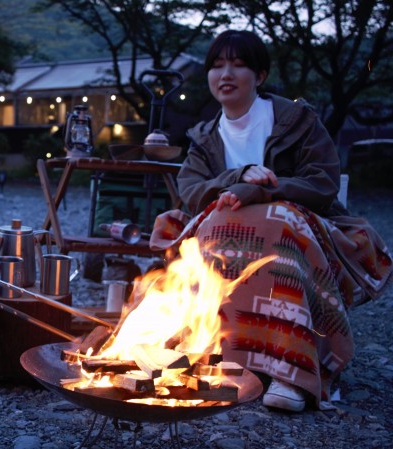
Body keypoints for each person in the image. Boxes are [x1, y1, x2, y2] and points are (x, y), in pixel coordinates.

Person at [150, 30, 392, 412]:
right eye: (216, 66)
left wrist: (265, 192)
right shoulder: (205, 136)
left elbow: (323, 183)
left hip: (299, 224)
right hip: (226, 226)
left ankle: (290, 371)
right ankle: (221, 355)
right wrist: (237, 177)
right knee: (211, 227)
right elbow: (190, 190)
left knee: (276, 224)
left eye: (239, 64)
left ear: (260, 76)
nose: (225, 74)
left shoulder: (296, 120)